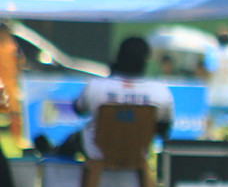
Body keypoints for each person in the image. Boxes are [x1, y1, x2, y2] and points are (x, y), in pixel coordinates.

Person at [34, 37, 174, 160]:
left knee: (80, 135)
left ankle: (53, 153)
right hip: (137, 154)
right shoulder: (160, 91)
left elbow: (79, 109)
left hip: (97, 153)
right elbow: (163, 130)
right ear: (146, 60)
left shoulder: (96, 86)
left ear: (118, 57)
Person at [0, 22, 25, 149]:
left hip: (9, 85)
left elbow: (20, 63)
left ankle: (17, 139)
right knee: (12, 114)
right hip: (5, 85)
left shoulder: (12, 47)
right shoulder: (10, 47)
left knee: (14, 114)